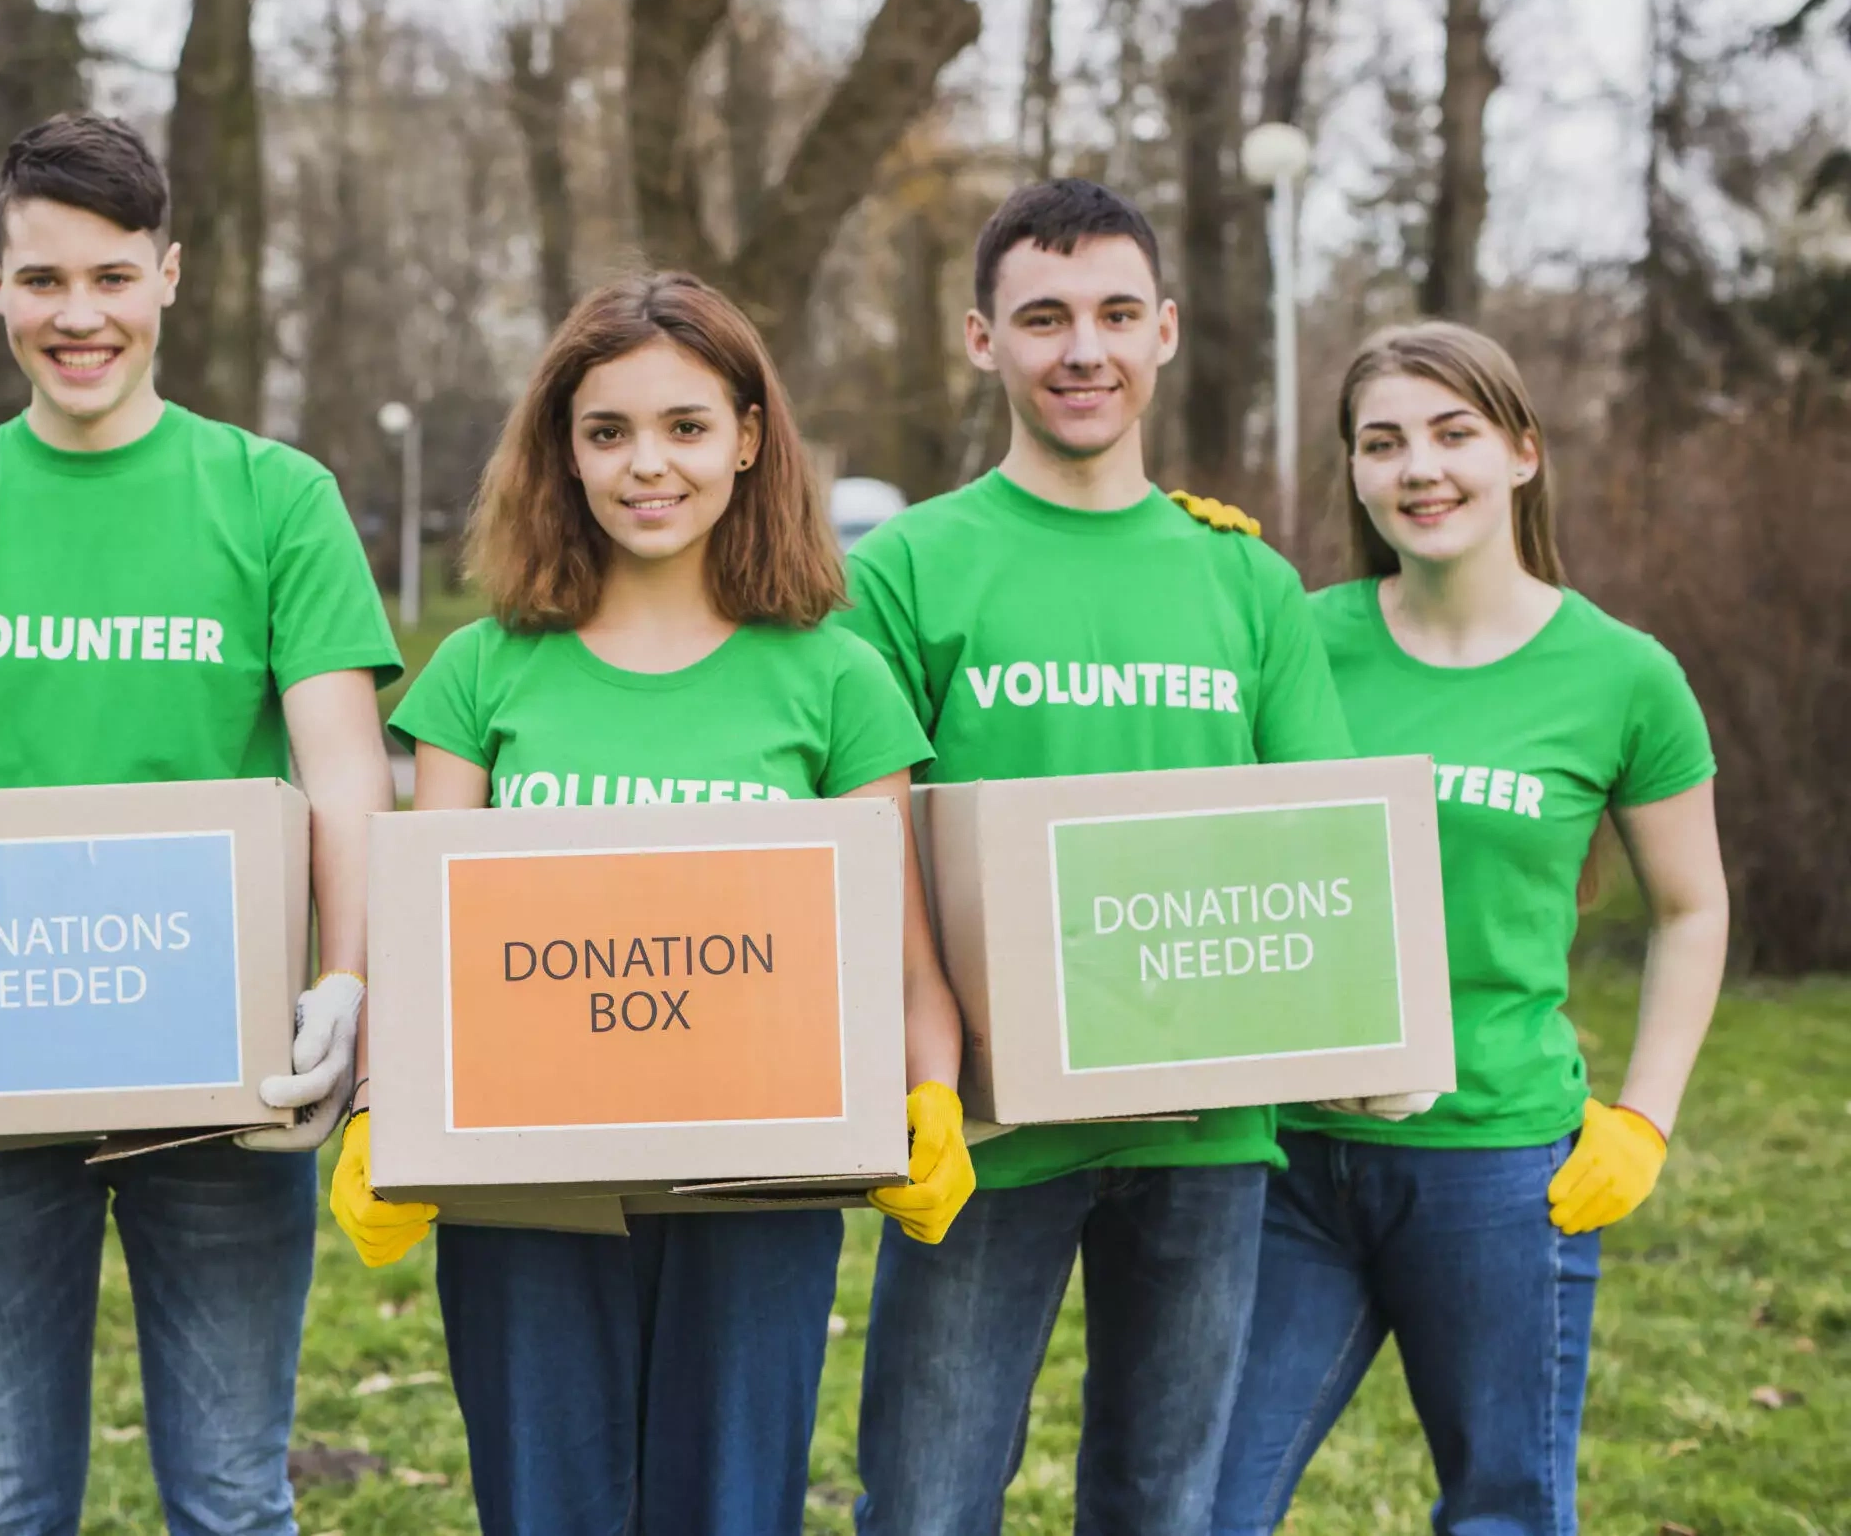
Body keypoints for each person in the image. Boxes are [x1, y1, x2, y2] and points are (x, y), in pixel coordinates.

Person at [0, 112, 401, 1536]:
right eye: (43, 279)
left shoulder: (275, 498)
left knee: (232, 1494)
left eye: (111, 276)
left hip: (226, 1072)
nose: (79, 315)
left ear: (169, 274)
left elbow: (348, 769)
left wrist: (349, 978)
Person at [329, 271, 975, 1536]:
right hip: (525, 1195)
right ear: (564, 452)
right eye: (607, 431)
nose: (647, 466)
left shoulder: (836, 679)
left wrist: (934, 1097)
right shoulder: (479, 672)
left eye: (685, 426)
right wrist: (373, 1111)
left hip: (758, 1195)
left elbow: (903, 967)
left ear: (748, 438)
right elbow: (421, 955)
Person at [838, 178, 1354, 1534]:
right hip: (984, 1123)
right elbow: (862, 838)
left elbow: (1318, 838)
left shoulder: (1246, 580)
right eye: (1044, 317)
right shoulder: (905, 567)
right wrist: (917, 1057)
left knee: (1162, 1503)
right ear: (981, 339)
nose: (1085, 349)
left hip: (1208, 1123)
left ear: (1165, 330)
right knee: (927, 1501)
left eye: (1118, 315)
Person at [1210, 322, 1728, 1536]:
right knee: (1198, 1504)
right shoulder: (1294, 637)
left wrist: (1645, 1118)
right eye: (1382, 443)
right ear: (1353, 471)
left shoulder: (1622, 675)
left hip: (1495, 1165)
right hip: (1288, 1155)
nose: (1419, 469)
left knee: (1503, 1508)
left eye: (1453, 434)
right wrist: (1189, 577)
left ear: (1521, 453)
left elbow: (1692, 906)